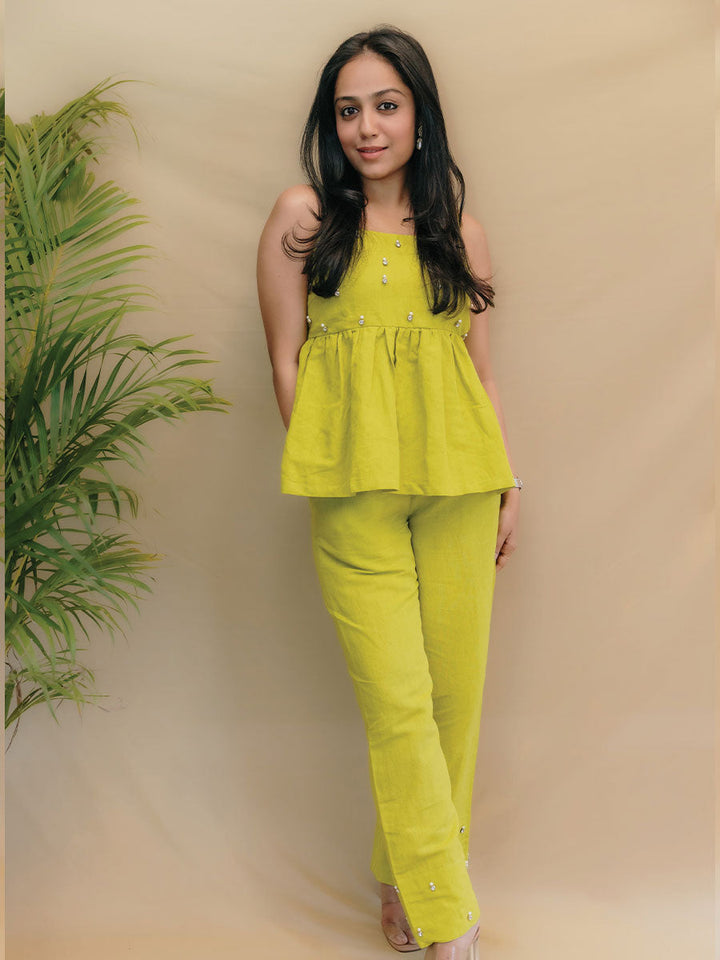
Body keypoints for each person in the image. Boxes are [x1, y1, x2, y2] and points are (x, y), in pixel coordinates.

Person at [256, 24, 522, 960]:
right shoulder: (301, 217)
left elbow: (480, 374)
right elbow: (285, 362)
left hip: (460, 481)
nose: (367, 127)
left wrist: (507, 483)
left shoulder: (461, 231)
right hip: (353, 490)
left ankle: (402, 872)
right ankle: (454, 920)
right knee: (398, 703)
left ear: (419, 115)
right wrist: (330, 461)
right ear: (331, 124)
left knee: (453, 703)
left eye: (386, 105)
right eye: (349, 110)